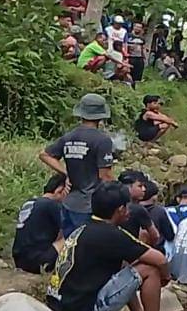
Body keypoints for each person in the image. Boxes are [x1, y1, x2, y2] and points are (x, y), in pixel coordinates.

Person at [47, 181, 182, 311]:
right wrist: (165, 277)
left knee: (128, 261)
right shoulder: (111, 234)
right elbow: (161, 260)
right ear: (120, 210)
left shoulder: (84, 227)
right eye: (127, 206)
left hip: (59, 304)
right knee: (150, 270)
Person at [39, 94, 115, 237]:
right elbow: (105, 176)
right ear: (101, 116)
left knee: (66, 245)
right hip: (89, 206)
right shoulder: (102, 140)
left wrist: (66, 173)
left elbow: (44, 155)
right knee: (84, 248)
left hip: (68, 202)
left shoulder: (69, 136)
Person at [12, 173, 69, 274]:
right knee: (71, 236)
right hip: (38, 262)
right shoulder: (53, 205)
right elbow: (67, 230)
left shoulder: (30, 202)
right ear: (59, 190)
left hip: (19, 259)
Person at [119, 170, 161, 246]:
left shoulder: (111, 204)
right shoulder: (137, 209)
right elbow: (155, 236)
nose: (144, 189)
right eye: (140, 186)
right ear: (128, 187)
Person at [142, 181, 176, 255]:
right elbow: (170, 235)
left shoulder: (130, 209)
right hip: (156, 251)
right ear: (154, 196)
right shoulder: (159, 211)